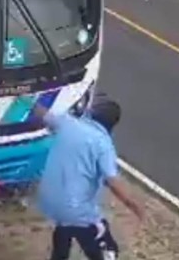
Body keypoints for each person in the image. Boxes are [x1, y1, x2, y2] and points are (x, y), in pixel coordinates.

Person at [34, 95, 144, 260]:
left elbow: (41, 113)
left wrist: (23, 97)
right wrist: (135, 206)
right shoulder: (103, 144)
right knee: (107, 248)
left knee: (64, 233)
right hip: (77, 210)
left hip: (50, 202)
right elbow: (112, 181)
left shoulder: (68, 123)